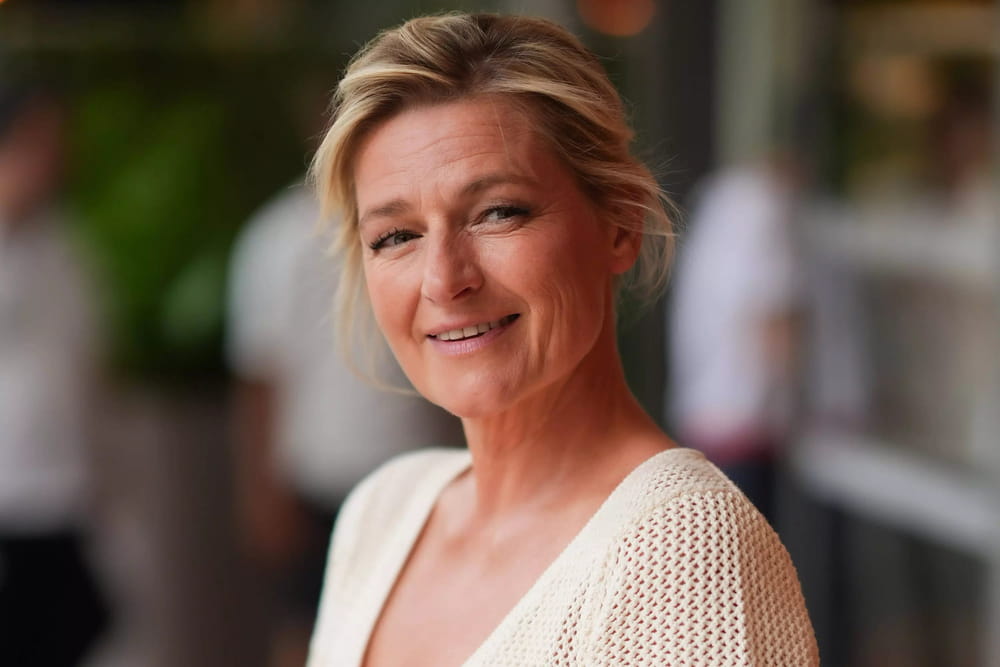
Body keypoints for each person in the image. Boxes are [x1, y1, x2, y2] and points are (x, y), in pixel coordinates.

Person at [307, 13, 818, 666]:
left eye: (498, 212)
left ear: (620, 225)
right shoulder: (382, 514)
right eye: (396, 236)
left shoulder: (685, 550)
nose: (444, 280)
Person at [227, 181, 464, 667]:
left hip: (416, 469)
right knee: (310, 628)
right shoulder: (279, 236)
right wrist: (260, 489)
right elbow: (259, 373)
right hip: (318, 476)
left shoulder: (422, 220)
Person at [0, 80, 110, 665]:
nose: (53, 158)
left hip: (61, 492)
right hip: (8, 496)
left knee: (70, 631)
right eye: (37, 142)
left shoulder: (66, 248)